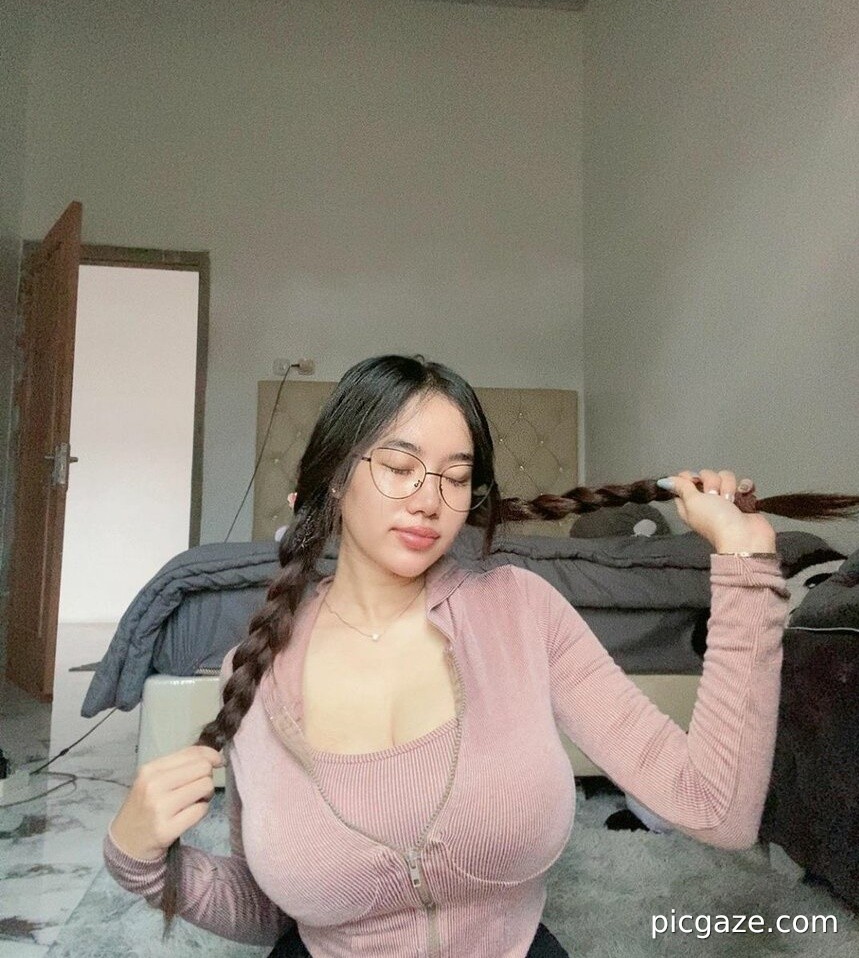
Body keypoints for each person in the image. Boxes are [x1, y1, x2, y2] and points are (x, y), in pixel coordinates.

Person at [103, 354, 791, 957]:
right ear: (333, 481)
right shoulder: (256, 673)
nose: (430, 500)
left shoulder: (523, 612)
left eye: (456, 478)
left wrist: (746, 563)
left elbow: (716, 808)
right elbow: (271, 909)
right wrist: (139, 859)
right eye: (399, 468)